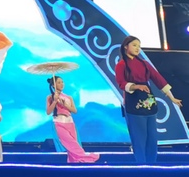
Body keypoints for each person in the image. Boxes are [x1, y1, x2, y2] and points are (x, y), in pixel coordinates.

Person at [115, 35, 183, 164]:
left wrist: (172, 98)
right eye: (134, 45)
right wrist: (136, 86)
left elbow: (159, 80)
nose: (137, 48)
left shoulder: (144, 64)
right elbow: (121, 83)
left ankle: (152, 164)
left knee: (152, 137)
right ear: (125, 47)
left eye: (139, 46)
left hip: (149, 102)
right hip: (133, 103)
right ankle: (141, 165)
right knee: (138, 138)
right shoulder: (121, 65)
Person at [45, 76, 99, 163]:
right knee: (70, 144)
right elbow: (48, 112)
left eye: (62, 82)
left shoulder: (69, 97)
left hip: (70, 123)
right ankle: (87, 157)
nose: (62, 84)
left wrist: (64, 105)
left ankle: (74, 163)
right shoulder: (50, 97)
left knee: (73, 146)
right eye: (59, 82)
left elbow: (74, 110)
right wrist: (55, 101)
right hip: (59, 123)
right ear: (53, 85)